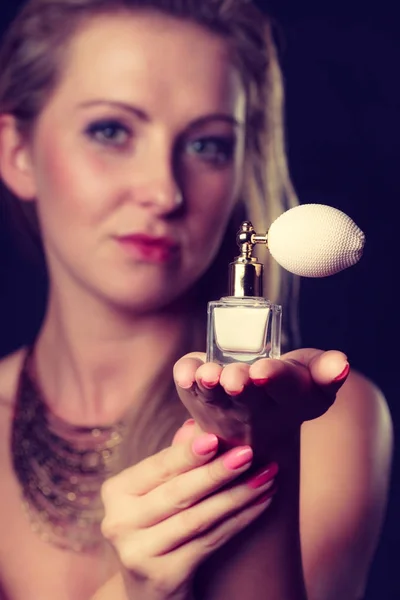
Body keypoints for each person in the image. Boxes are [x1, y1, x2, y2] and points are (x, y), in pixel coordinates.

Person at [0, 1, 393, 599]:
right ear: (17, 152)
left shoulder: (328, 422)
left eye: (207, 145)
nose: (163, 191)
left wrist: (261, 443)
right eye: (111, 131)